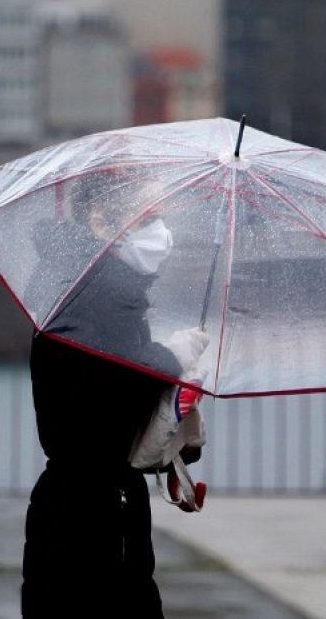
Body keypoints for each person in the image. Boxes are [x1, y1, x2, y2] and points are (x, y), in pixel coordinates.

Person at [21, 176, 202, 618]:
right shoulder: (93, 295)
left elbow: (107, 405)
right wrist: (168, 359)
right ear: (102, 222)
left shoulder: (93, 287)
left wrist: (174, 444)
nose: (162, 233)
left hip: (94, 510)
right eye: (151, 217)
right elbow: (98, 406)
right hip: (87, 524)